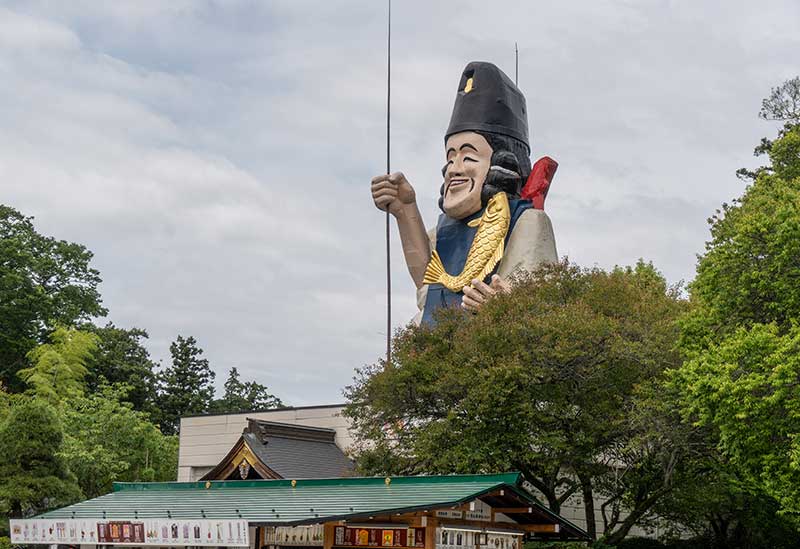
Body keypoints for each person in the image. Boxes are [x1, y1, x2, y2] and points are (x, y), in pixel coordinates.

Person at [371, 61, 557, 324]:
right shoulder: (441, 232)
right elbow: (428, 289)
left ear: (502, 162)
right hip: (441, 339)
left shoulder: (527, 221)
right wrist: (405, 210)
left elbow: (540, 295)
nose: (454, 170)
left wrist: (504, 307)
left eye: (468, 157)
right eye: (450, 158)